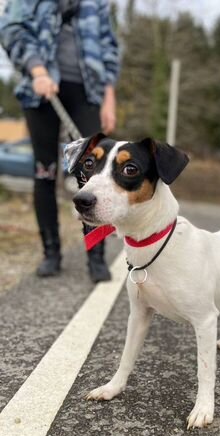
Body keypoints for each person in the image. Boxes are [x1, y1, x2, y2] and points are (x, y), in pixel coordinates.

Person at [0, 0, 120, 281]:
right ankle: (51, 252)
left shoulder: (96, 3)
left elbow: (109, 47)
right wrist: (36, 69)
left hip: (87, 92)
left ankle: (96, 255)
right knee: (45, 171)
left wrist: (109, 100)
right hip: (40, 90)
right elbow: (11, 29)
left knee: (96, 175)